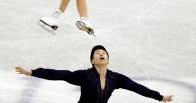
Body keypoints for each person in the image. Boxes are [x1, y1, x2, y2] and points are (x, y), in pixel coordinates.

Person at [15, 45, 173, 103]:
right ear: (93, 60)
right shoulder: (84, 76)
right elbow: (60, 74)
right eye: (97, 53)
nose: (101, 54)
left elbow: (136, 87)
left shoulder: (115, 78)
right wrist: (32, 72)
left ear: (107, 59)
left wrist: (159, 97)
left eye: (104, 52)